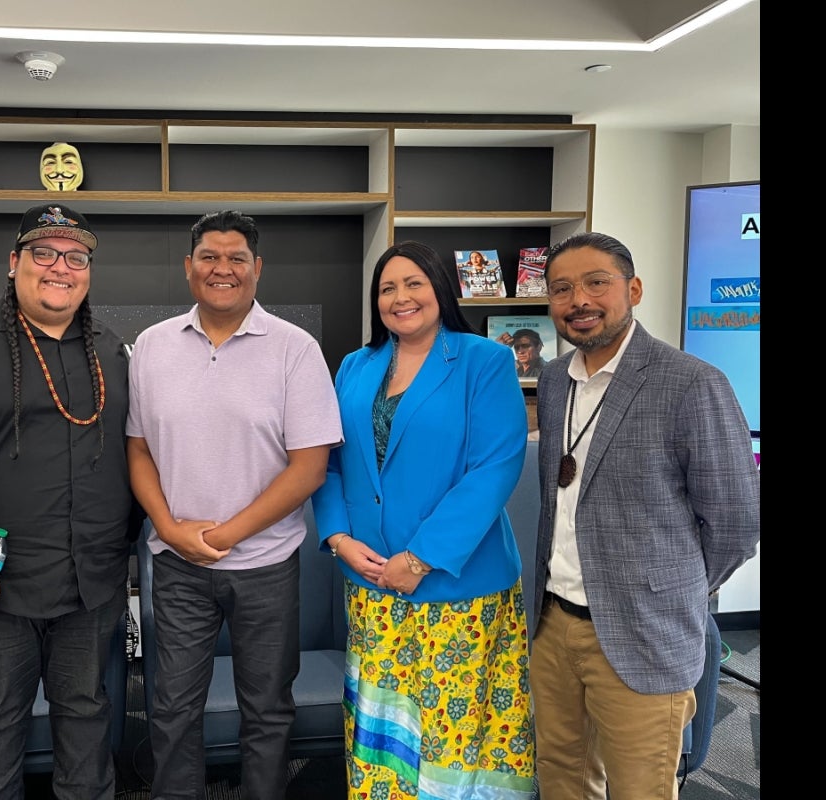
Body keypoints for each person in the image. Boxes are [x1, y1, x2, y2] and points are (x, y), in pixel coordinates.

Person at [0, 204, 136, 800]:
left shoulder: (112, 351)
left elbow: (135, 455)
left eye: (76, 256)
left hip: (92, 581)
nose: (60, 267)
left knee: (88, 714)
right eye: (44, 253)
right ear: (14, 263)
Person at [530, 232, 761, 800]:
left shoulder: (692, 383)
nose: (578, 299)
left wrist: (669, 590)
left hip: (643, 634)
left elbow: (736, 522)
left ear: (632, 289)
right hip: (553, 623)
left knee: (640, 787)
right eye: (562, 289)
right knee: (561, 776)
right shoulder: (556, 380)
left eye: (595, 282)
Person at [126, 210, 343, 800]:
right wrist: (170, 530)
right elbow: (138, 450)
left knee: (268, 710)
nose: (223, 269)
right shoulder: (150, 346)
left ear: (257, 268)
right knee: (170, 710)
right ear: (189, 267)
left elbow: (309, 468)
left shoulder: (296, 349)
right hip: (175, 567)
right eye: (209, 257)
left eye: (236, 258)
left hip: (268, 568)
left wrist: (226, 535)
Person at [311, 240, 535, 800]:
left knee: (453, 736)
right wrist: (337, 537)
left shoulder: (483, 360)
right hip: (373, 580)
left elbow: (495, 467)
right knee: (386, 728)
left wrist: (421, 557)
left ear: (441, 288)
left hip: (458, 585)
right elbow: (330, 460)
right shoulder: (355, 366)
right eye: (388, 288)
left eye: (414, 283)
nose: (401, 297)